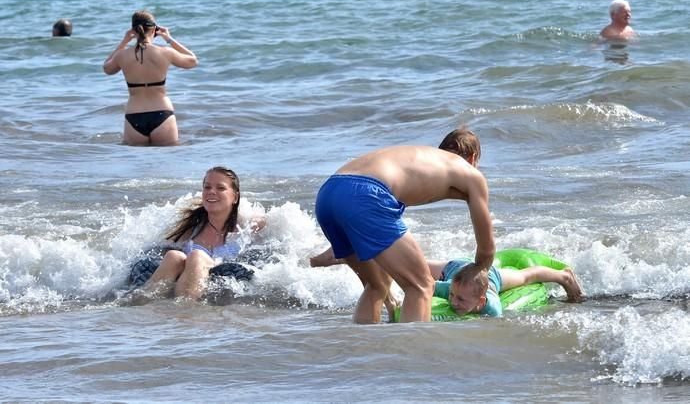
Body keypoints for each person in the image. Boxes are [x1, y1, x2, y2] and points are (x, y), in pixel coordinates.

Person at [310, 127, 495, 323]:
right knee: (421, 285)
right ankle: (411, 352)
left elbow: (365, 217)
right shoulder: (469, 173)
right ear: (473, 158)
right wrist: (480, 275)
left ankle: (363, 347)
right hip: (366, 195)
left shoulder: (421, 160)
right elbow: (486, 247)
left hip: (328, 194)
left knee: (377, 284)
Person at [142, 166, 265, 299]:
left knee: (197, 256)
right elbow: (159, 249)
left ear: (235, 197)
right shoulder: (190, 228)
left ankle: (185, 310)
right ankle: (140, 303)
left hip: (219, 285)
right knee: (173, 256)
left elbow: (267, 227)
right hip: (185, 281)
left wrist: (256, 220)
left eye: (220, 188)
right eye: (207, 187)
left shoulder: (247, 227)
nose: (211, 191)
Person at [103, 10, 198, 146]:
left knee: (136, 165)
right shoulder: (165, 52)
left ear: (133, 31)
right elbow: (193, 61)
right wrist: (169, 38)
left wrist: (124, 41)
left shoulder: (122, 55)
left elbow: (107, 68)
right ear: (154, 29)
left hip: (134, 116)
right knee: (167, 164)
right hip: (162, 113)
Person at [427, 258, 583, 317]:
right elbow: (427, 286)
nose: (453, 301)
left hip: (491, 276)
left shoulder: (492, 307)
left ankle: (564, 277)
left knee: (525, 277)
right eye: (452, 296)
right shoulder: (450, 288)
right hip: (455, 268)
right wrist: (401, 298)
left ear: (481, 302)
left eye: (460, 299)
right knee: (417, 266)